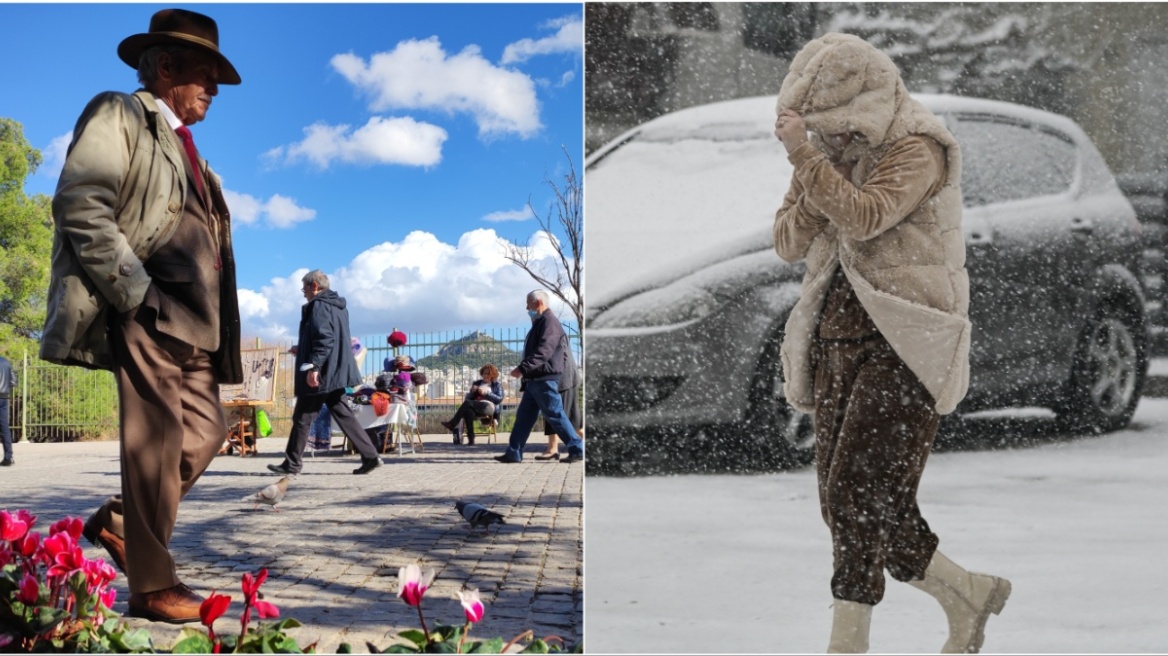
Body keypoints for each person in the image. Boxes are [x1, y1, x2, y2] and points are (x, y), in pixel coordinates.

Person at [772, 33, 1010, 653]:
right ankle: (967, 593)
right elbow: (789, 242)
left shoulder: (919, 148)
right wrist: (812, 169)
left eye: (841, 129)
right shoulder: (826, 157)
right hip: (837, 338)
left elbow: (869, 216)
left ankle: (847, 642)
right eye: (824, 132)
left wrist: (810, 161)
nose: (834, 141)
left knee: (856, 492)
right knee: (855, 501)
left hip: (908, 341)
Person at [38, 8, 243, 623]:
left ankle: (122, 526)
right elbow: (81, 202)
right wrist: (134, 293)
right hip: (147, 308)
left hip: (197, 325)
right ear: (163, 67)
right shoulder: (120, 113)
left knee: (205, 437)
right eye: (203, 74)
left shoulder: (197, 157)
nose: (211, 89)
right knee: (154, 443)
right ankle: (152, 585)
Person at [267, 270, 384, 476]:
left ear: (314, 286)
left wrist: (314, 367)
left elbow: (325, 339)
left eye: (304, 288)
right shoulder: (338, 307)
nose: (303, 293)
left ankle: (292, 464)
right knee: (343, 414)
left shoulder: (319, 306)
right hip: (335, 371)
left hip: (323, 374)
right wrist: (301, 347)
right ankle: (371, 456)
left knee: (303, 417)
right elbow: (329, 338)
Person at [494, 290, 585, 464]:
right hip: (535, 379)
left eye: (529, 304)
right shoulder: (541, 322)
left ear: (538, 303)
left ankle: (577, 448)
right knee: (524, 417)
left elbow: (544, 351)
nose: (527, 308)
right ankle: (514, 452)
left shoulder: (549, 323)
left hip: (544, 378)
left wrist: (522, 368)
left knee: (555, 414)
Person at [535, 346, 582, 461]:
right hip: (567, 376)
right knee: (571, 417)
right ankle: (552, 449)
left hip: (561, 378)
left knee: (554, 412)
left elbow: (544, 353)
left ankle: (553, 449)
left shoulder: (548, 328)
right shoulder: (550, 329)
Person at [441, 364, 504, 445]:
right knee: (468, 411)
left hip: (488, 406)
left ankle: (452, 423)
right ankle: (471, 439)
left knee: (467, 403)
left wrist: (486, 393)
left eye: (488, 373)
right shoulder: (478, 383)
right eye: (484, 373)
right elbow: (469, 398)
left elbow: (499, 399)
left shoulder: (496, 385)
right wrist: (472, 392)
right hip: (475, 405)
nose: (485, 375)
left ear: (492, 375)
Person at [0, 354, 15, 466]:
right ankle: (8, 457)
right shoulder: (6, 362)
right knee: (4, 428)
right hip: (4, 397)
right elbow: (14, 381)